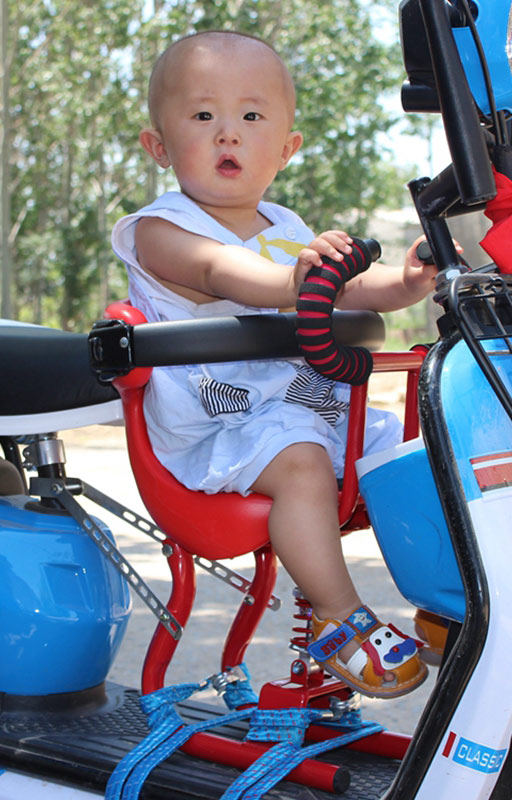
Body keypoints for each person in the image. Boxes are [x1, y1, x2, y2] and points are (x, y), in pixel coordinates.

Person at [112, 30, 439, 699]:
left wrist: (403, 284)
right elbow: (222, 273)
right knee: (299, 458)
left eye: (251, 117)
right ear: (159, 145)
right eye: (203, 116)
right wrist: (297, 278)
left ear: (286, 149)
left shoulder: (283, 225)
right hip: (215, 427)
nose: (227, 134)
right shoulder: (160, 229)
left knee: (416, 455)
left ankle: (446, 600)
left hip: (302, 405)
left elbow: (339, 290)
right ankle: (336, 615)